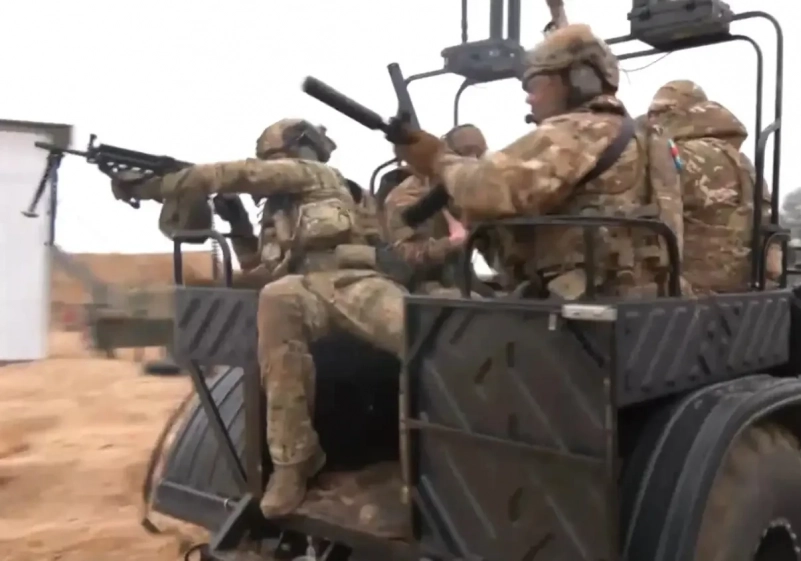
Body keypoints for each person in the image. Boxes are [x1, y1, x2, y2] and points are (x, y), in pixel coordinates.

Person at [112, 118, 413, 518]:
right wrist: (238, 225)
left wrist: (157, 185)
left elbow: (241, 174)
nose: (273, 166)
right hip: (303, 289)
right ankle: (294, 462)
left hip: (357, 281)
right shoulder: (277, 212)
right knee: (276, 299)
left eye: (277, 157)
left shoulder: (318, 176)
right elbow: (261, 269)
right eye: (269, 159)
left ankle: (426, 463)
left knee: (420, 333)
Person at [388, 23, 684, 299]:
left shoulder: (576, 131)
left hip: (577, 313)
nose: (529, 98)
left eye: (536, 85)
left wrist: (438, 159)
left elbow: (489, 189)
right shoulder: (645, 136)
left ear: (577, 81)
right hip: (642, 303)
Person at [647, 79, 781, 293]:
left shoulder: (678, 156)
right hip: (745, 289)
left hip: (689, 293)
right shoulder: (745, 163)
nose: (652, 120)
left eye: (659, 112)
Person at [383, 125, 490, 292]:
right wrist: (450, 244)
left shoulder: (478, 191)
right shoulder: (406, 196)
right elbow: (401, 256)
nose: (473, 160)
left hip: (463, 278)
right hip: (421, 284)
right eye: (465, 152)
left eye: (480, 153)